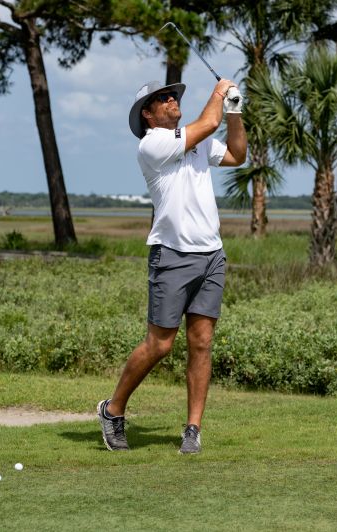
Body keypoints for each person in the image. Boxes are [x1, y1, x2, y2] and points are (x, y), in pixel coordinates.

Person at [97, 78, 247, 454]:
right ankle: (112, 410)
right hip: (173, 255)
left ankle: (193, 429)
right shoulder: (152, 144)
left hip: (211, 254)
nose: (171, 100)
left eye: (172, 96)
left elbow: (236, 155)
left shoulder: (196, 140)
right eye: (162, 99)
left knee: (202, 342)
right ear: (148, 115)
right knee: (160, 344)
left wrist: (234, 110)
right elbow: (208, 123)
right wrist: (219, 93)